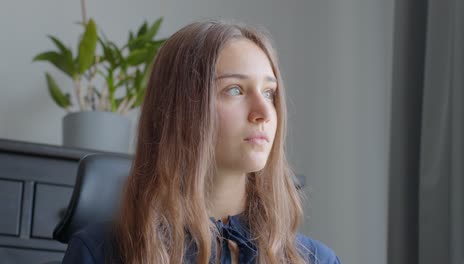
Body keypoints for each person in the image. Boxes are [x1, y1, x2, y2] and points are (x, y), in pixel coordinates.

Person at [62, 20, 341, 264]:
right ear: (181, 108)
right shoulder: (100, 252)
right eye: (235, 90)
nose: (264, 113)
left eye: (269, 93)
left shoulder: (319, 260)